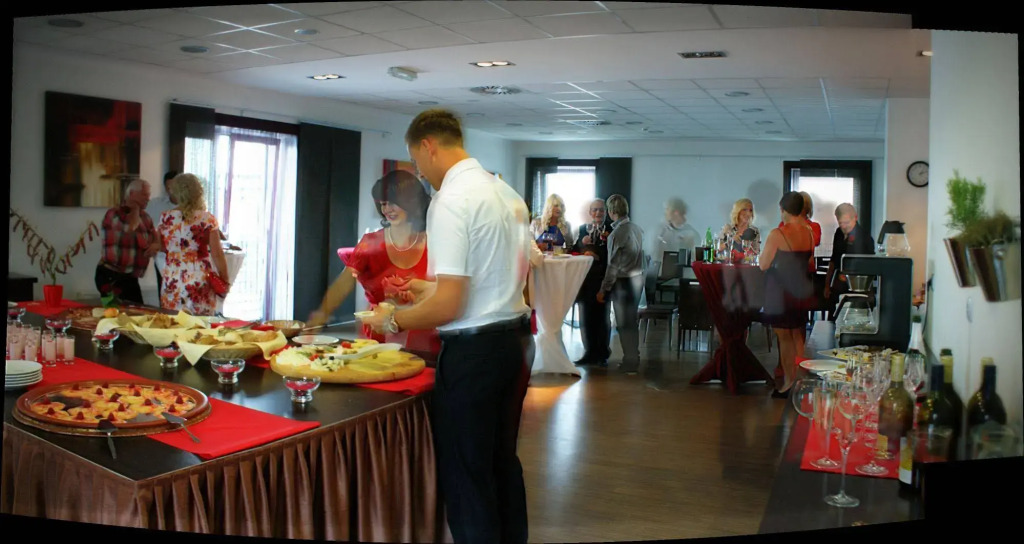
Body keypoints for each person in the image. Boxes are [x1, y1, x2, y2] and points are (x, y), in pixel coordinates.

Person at [362, 109, 535, 544]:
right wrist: (427, 288)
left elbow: (451, 304)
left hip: (476, 354)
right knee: (501, 463)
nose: (419, 172)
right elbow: (490, 279)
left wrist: (391, 317)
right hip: (515, 341)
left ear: (429, 146)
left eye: (416, 161)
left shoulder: (452, 199)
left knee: (467, 475)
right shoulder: (505, 191)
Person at [307, 169, 439, 356]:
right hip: (379, 337)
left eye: (393, 202)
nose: (387, 209)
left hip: (424, 337)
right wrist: (320, 315)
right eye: (383, 203)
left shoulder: (435, 241)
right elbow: (344, 282)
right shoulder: (370, 243)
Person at [759, 192, 816, 398]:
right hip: (800, 289)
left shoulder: (778, 234)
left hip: (781, 291)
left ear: (783, 210)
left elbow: (763, 264)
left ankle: (788, 382)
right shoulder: (809, 232)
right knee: (797, 335)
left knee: (784, 337)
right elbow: (810, 262)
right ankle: (801, 379)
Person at [156, 173, 230, 315]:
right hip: (199, 277)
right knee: (200, 323)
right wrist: (225, 279)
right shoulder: (207, 219)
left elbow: (162, 247)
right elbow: (217, 254)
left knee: (173, 322)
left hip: (172, 278)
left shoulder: (165, 217)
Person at [597, 194, 645, 375]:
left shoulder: (616, 234)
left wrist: (603, 289)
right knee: (631, 322)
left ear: (611, 211)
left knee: (624, 324)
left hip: (623, 282)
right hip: (637, 279)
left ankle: (630, 361)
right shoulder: (637, 229)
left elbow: (613, 266)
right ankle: (633, 358)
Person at [95, 178, 160, 305]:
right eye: (144, 194)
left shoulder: (146, 217)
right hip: (111, 275)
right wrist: (135, 209)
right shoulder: (114, 213)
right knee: (117, 313)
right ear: (131, 194)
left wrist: (154, 246)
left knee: (138, 312)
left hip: (130, 276)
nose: (148, 198)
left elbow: (155, 238)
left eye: (149, 195)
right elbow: (129, 228)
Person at [571, 198, 613, 367]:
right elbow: (574, 250)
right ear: (590, 212)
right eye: (595, 210)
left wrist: (598, 255)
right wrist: (582, 245)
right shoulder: (583, 229)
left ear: (606, 212)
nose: (598, 213)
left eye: (601, 210)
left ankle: (602, 353)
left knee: (602, 317)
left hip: (603, 278)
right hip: (585, 279)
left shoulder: (611, 230)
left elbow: (614, 255)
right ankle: (589, 352)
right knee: (586, 316)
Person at [824, 203, 876, 318]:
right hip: (838, 284)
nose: (843, 226)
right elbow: (834, 259)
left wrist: (850, 275)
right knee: (833, 317)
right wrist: (827, 284)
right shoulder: (838, 233)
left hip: (858, 287)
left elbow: (869, 266)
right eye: (840, 223)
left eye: (846, 222)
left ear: (855, 218)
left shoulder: (864, 237)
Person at [148, 171, 179, 304]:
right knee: (164, 290)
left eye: (174, 186)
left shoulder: (192, 209)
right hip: (161, 256)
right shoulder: (155, 204)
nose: (171, 190)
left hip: (182, 256)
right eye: (168, 187)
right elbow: (146, 225)